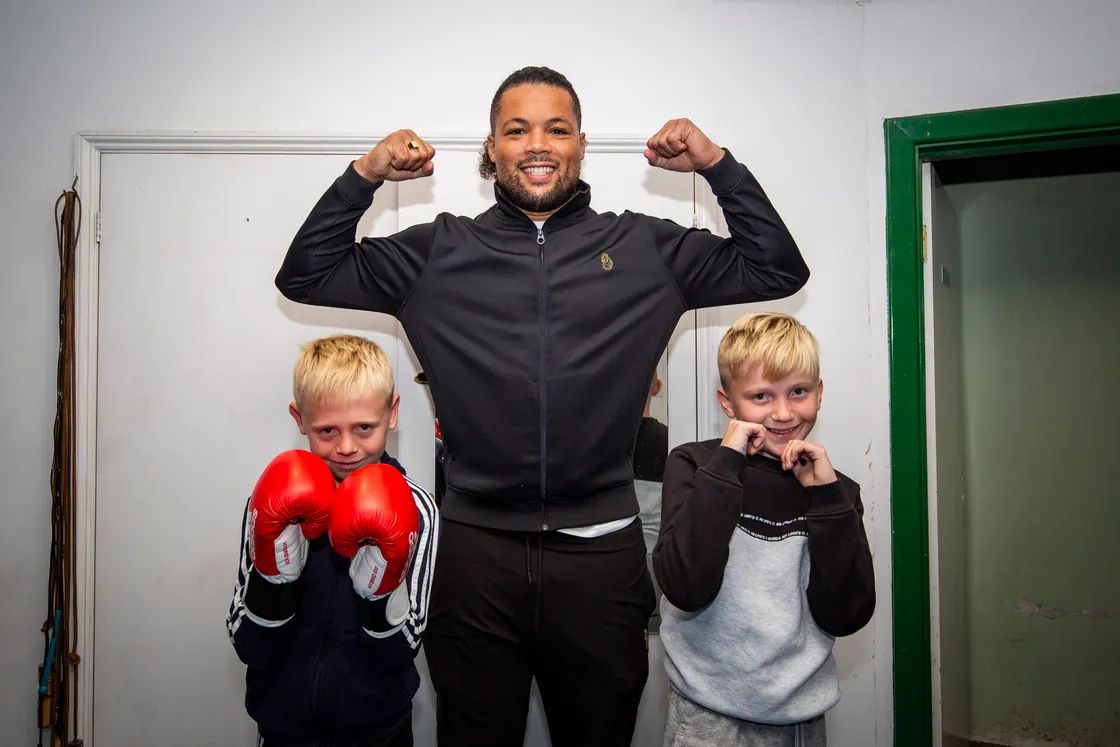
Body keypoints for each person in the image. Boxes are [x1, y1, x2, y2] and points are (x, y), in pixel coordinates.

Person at [275, 65, 809, 747]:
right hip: (473, 561)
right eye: (517, 129)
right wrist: (366, 173)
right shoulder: (439, 252)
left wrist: (717, 166)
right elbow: (306, 272)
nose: (538, 144)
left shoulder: (645, 247)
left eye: (556, 129)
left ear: (580, 144)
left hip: (600, 562)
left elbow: (777, 268)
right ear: (491, 147)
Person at [653, 313, 875, 747]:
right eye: (760, 395)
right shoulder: (696, 466)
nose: (783, 413)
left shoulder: (837, 490)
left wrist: (829, 501)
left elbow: (847, 614)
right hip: (706, 714)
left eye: (798, 392)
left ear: (820, 392)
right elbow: (684, 586)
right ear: (727, 402)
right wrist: (727, 463)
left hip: (800, 718)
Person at [225, 335, 439, 747]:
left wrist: (379, 595)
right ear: (299, 418)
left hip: (379, 733)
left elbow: (401, 650)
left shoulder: (417, 509)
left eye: (364, 427)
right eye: (327, 430)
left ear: (391, 414)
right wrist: (274, 581)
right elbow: (248, 643)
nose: (346, 447)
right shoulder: (268, 501)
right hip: (282, 731)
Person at [634, 372, 669, 632]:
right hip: (661, 579)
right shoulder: (677, 441)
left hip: (613, 572)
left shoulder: (604, 447)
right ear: (656, 387)